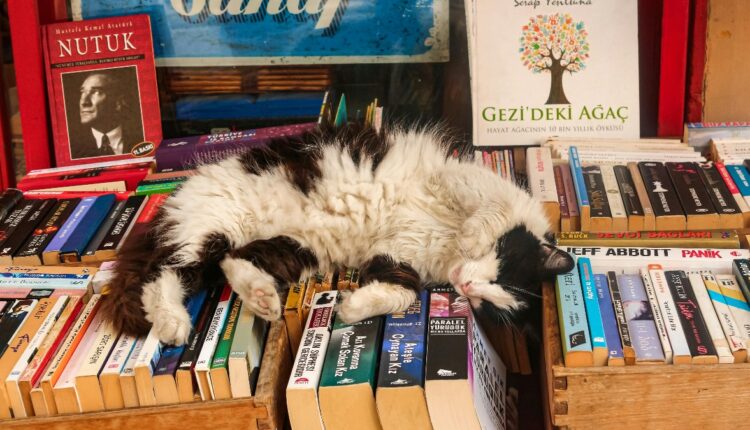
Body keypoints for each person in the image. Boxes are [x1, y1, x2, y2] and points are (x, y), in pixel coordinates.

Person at [69, 71, 143, 159]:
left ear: (118, 103)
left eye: (96, 92)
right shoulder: (72, 148)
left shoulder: (142, 139)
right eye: (82, 92)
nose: (84, 102)